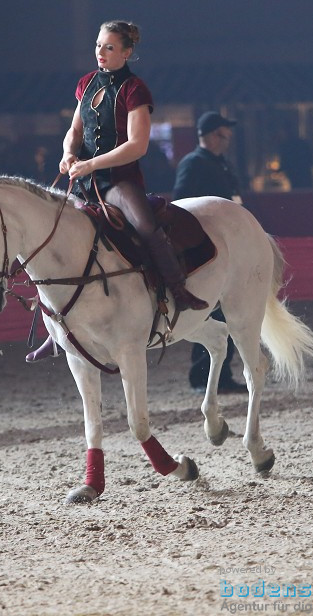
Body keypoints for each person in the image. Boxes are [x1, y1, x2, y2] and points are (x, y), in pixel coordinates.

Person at [26, 20, 209, 364]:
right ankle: (55, 329)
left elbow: (137, 145)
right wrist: (67, 153)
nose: (102, 53)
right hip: (84, 180)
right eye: (98, 46)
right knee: (53, 241)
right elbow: (74, 130)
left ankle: (180, 292)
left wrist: (92, 165)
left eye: (110, 47)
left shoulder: (134, 90)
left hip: (119, 182)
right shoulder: (86, 84)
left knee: (146, 227)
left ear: (126, 52)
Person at [172, 111, 246, 393]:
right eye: (224, 133)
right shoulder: (194, 163)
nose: (227, 139)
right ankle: (204, 375)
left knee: (222, 311)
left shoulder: (218, 162)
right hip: (207, 248)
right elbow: (181, 203)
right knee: (211, 312)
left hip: (222, 244)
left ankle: (219, 375)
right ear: (214, 134)